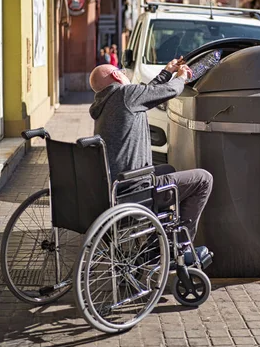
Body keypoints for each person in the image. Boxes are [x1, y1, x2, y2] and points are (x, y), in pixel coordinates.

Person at [89, 58, 213, 241]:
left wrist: (167, 72)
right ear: (116, 75)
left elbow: (149, 94)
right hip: (136, 192)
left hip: (117, 189)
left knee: (168, 170)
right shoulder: (125, 94)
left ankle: (156, 243)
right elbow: (170, 91)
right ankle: (181, 246)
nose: (125, 73)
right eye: (122, 71)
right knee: (203, 179)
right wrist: (182, 77)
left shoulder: (108, 102)